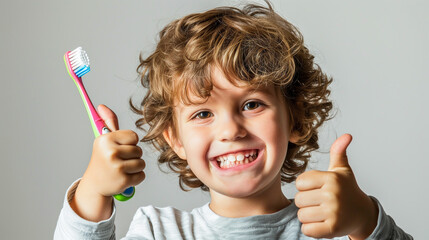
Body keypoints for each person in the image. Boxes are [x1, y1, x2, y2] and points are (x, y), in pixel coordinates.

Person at [55, 2, 412, 239]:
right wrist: (93, 190)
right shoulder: (159, 232)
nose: (230, 130)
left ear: (296, 117)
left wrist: (365, 221)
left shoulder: (332, 226)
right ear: (174, 139)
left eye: (252, 104)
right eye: (203, 113)